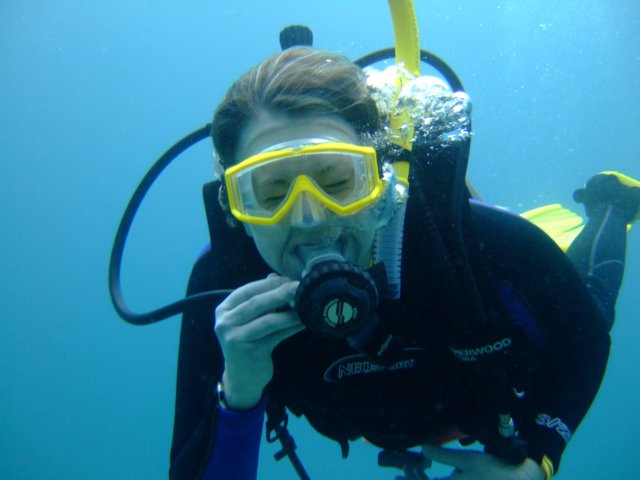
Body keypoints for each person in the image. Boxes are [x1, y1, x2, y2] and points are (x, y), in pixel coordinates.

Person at [168, 46, 639, 480]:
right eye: (272, 192)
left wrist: (538, 459)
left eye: (338, 181)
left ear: (379, 177)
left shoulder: (470, 240)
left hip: (470, 393)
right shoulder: (225, 291)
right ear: (236, 210)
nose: (310, 219)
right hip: (399, 416)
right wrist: (238, 391)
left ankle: (612, 205)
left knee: (592, 305)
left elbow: (584, 341)